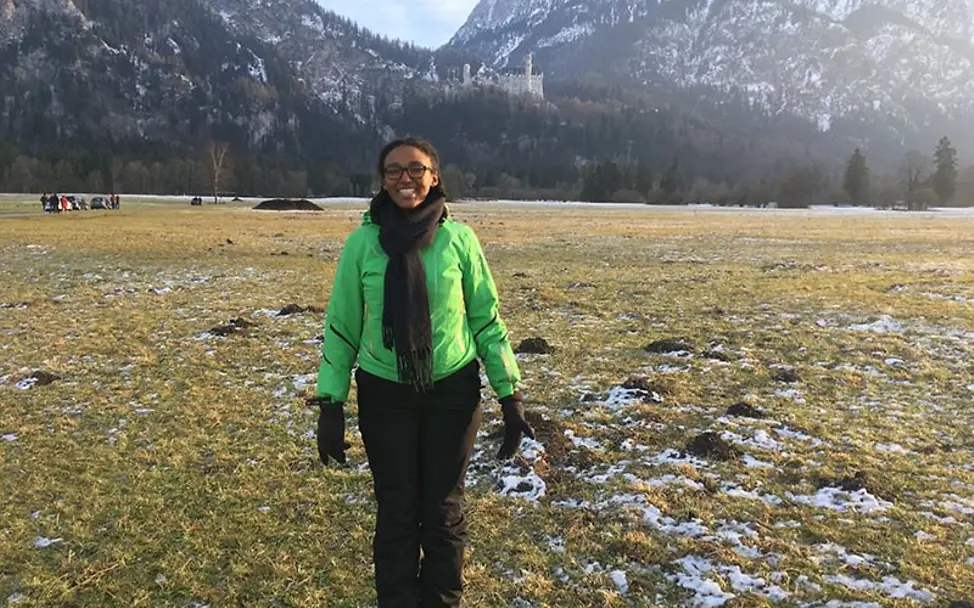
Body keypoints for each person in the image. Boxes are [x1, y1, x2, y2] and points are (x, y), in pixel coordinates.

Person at [310, 137, 534, 607]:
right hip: (384, 394)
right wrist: (330, 403)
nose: (405, 178)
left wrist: (509, 395)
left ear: (434, 176)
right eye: (394, 170)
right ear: (382, 178)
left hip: (452, 393)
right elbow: (342, 327)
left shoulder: (460, 240)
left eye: (416, 168)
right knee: (396, 511)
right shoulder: (362, 244)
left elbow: (486, 321)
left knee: (442, 511)